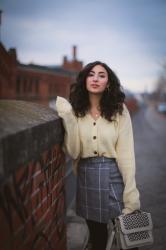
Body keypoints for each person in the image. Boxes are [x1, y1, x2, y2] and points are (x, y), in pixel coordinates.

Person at [55, 61, 140, 250]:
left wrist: (131, 192)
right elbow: (74, 151)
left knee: (130, 238)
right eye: (91, 74)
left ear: (108, 83)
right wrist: (68, 117)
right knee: (98, 238)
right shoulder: (76, 111)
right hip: (87, 176)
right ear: (85, 80)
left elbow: (126, 155)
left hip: (113, 175)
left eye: (102, 75)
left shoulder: (120, 110)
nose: (95, 78)